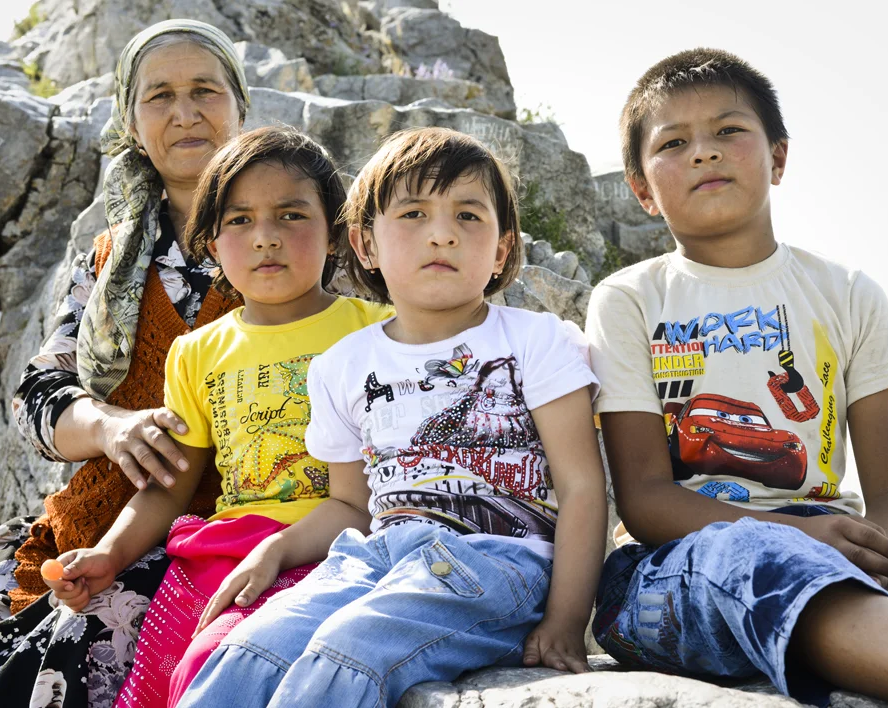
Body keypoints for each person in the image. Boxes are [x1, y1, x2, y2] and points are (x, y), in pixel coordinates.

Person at [586, 47, 888, 708]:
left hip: (838, 555)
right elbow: (645, 499)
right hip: (674, 571)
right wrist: (801, 540)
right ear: (642, 189)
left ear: (779, 158)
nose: (705, 151)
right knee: (753, 560)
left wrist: (875, 556)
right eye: (675, 142)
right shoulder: (629, 300)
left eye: (729, 130)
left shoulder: (847, 293)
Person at [176, 127, 607, 708]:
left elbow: (583, 487)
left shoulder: (536, 341)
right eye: (413, 213)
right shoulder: (343, 365)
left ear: (502, 250)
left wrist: (566, 619)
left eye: (469, 217)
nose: (442, 233)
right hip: (376, 557)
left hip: (497, 561)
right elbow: (351, 506)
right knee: (252, 651)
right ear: (365, 244)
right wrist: (275, 551)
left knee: (348, 650)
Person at [40, 126, 393, 708]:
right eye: (239, 220)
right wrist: (109, 555)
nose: (265, 239)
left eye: (290, 215)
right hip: (223, 555)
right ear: (210, 242)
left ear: (337, 235)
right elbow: (167, 486)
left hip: (341, 548)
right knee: (160, 683)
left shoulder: (376, 330)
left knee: (226, 667)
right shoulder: (197, 352)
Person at [0, 19, 250, 708]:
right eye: (160, 96)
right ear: (130, 117)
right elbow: (40, 394)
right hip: (96, 523)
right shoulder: (109, 259)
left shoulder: (297, 238)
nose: (185, 112)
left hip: (224, 536)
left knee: (74, 651)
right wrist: (112, 427)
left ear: (240, 107)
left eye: (205, 90)